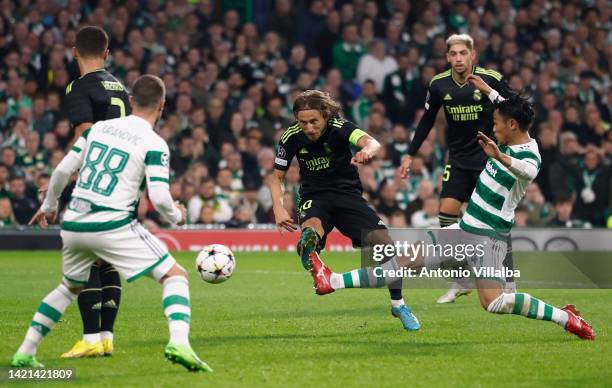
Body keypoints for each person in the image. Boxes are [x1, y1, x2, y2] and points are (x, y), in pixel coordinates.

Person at [310, 94, 595, 341]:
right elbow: (502, 106)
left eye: (496, 124)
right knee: (403, 262)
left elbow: (527, 171)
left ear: (512, 125)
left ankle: (566, 318)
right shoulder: (510, 130)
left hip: (489, 239)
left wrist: (499, 156)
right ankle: (331, 280)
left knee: (495, 303)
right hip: (463, 230)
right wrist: (487, 90)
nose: (492, 128)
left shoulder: (528, 156)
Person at [11, 75, 213, 371]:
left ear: (131, 101)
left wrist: (49, 205)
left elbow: (62, 170)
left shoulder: (97, 129)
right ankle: (179, 343)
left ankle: (25, 352)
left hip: (74, 222)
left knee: (69, 287)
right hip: (112, 223)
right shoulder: (154, 142)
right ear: (163, 106)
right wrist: (178, 216)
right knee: (175, 276)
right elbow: (158, 197)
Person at [268, 90, 420, 331]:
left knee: (385, 244)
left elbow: (371, 141)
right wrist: (278, 208)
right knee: (308, 237)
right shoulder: (291, 137)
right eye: (302, 122)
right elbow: (276, 177)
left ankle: (398, 303)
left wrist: (368, 150)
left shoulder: (340, 127)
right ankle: (319, 269)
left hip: (347, 196)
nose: (308, 127)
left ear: (326, 115)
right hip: (315, 198)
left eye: (313, 121)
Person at [399, 34, 515, 303]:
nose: (459, 59)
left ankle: (509, 280)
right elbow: (427, 120)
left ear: (472, 55)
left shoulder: (491, 78)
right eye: (454, 54)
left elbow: (517, 108)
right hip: (459, 161)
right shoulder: (439, 84)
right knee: (446, 216)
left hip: (489, 159)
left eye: (464, 53)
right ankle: (460, 280)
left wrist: (490, 93)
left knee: (497, 220)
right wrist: (409, 154)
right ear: (447, 57)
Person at [57, 26, 132, 359]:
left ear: (74, 52)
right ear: (106, 53)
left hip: (96, 182)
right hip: (126, 182)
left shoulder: (79, 86)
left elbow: (86, 136)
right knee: (107, 260)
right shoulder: (122, 89)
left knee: (84, 257)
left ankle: (89, 338)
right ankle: (106, 337)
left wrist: (65, 174)